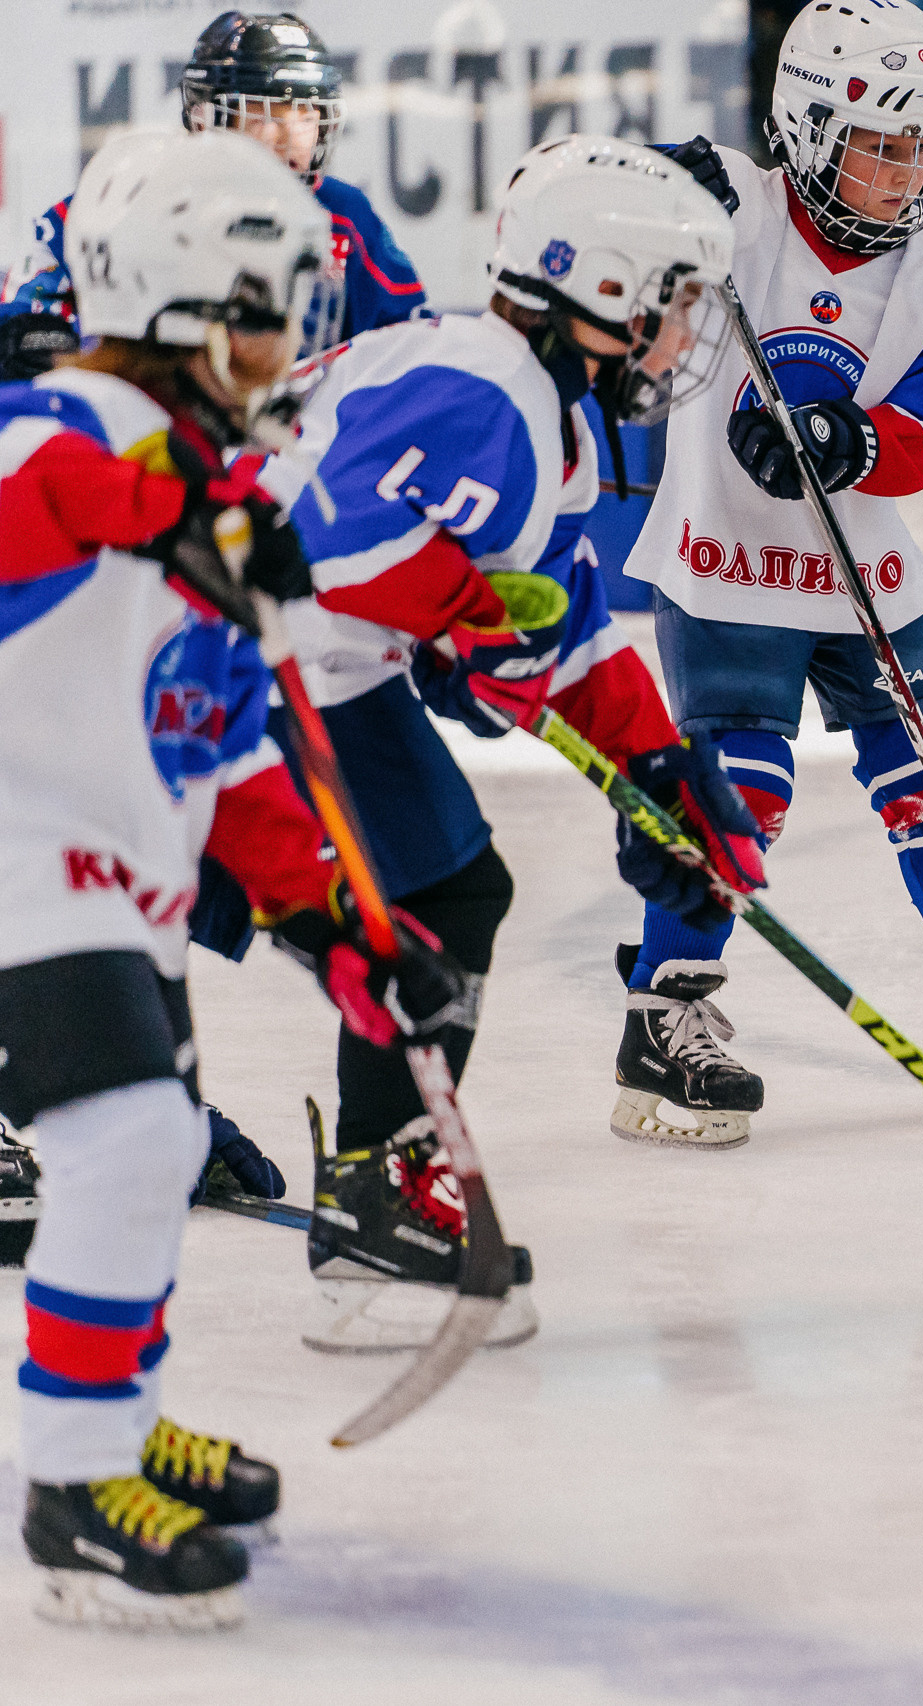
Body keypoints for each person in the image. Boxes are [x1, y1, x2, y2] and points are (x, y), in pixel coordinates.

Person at [0, 129, 467, 1629]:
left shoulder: (223, 488)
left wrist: (342, 931)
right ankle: (74, 1488)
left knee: (146, 1152)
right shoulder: (54, 428)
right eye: (265, 312)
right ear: (180, 304)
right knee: (133, 1143)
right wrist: (172, 515)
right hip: (19, 869)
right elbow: (47, 499)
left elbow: (230, 753)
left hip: (107, 883)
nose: (286, 348)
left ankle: (119, 1429)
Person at [236, 132, 767, 1347]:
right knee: (181, 900)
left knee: (451, 889)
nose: (684, 340)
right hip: (223, 652)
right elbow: (334, 536)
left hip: (320, 665)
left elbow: (564, 630)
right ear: (606, 290)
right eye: (674, 307)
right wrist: (465, 622)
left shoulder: (557, 423)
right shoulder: (484, 387)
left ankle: (377, 1183)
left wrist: (663, 778)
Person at [619, 0, 923, 1144]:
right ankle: (664, 1011)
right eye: (879, 143)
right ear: (807, 129)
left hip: (860, 565)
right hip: (722, 565)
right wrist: (655, 200)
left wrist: (847, 439)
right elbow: (605, 202)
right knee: (740, 788)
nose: (905, 169)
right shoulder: (734, 205)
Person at [0, 12, 428, 381]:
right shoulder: (126, 197)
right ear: (206, 119)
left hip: (286, 453)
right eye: (267, 113)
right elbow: (24, 324)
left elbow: (411, 345)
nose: (293, 135)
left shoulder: (344, 215)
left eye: (307, 113)